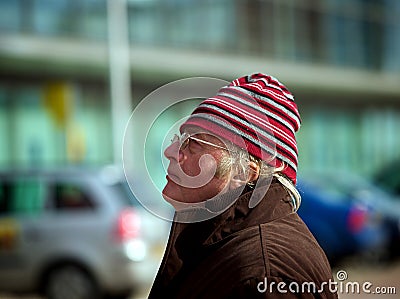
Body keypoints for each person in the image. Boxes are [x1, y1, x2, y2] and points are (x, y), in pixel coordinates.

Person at [148, 73, 338, 298]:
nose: (170, 152)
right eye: (179, 139)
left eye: (193, 143)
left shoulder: (265, 275)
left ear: (244, 172)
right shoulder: (217, 242)